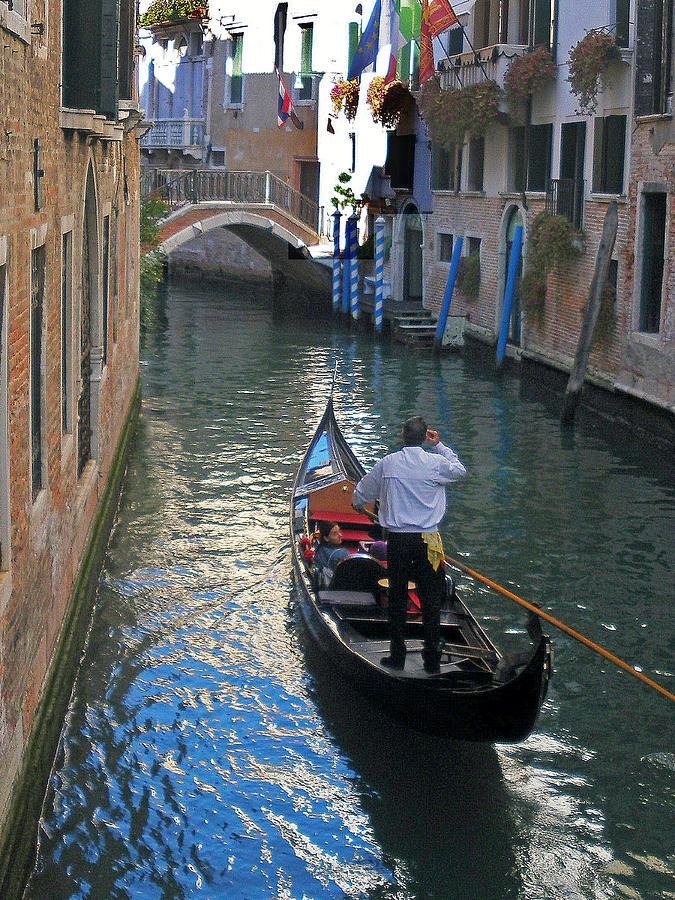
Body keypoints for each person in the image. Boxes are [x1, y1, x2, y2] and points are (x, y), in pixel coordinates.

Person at [352, 416, 467, 673]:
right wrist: (440, 446)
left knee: (397, 597)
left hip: (399, 540)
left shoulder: (388, 463)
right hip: (429, 540)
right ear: (426, 437)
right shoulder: (437, 463)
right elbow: (460, 470)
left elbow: (363, 492)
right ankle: (432, 660)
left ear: (403, 437)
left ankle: (397, 656)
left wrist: (357, 503)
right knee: (431, 598)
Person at [313, 521, 350, 587]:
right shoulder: (342, 554)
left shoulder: (320, 550)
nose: (340, 535)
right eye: (335, 534)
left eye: (339, 531)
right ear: (326, 538)